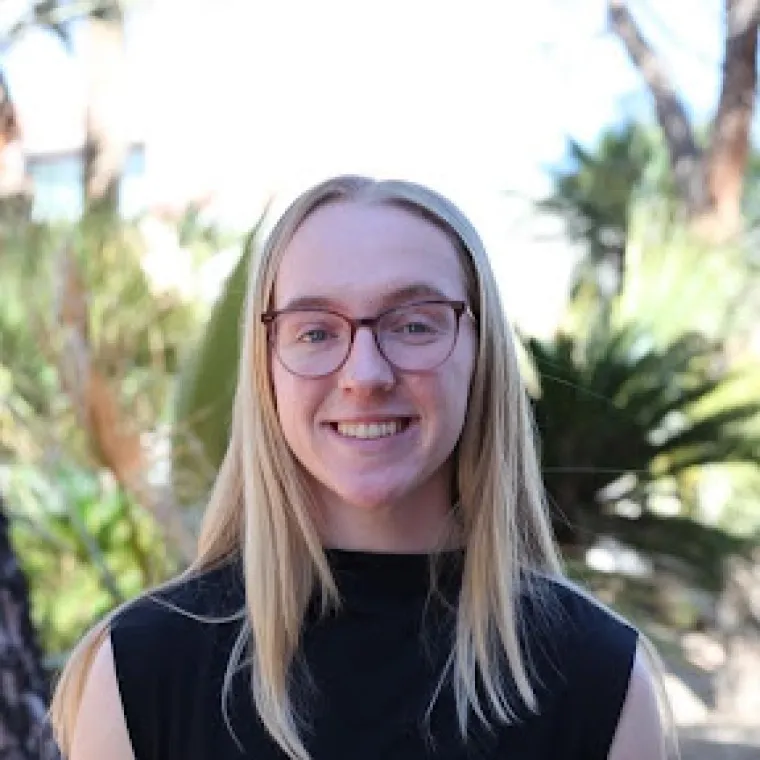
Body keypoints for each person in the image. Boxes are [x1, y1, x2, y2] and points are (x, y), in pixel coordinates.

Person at [50, 175, 673, 760]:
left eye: (414, 324)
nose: (366, 374)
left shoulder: (603, 679)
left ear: (481, 355)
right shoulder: (140, 670)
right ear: (266, 369)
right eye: (316, 332)